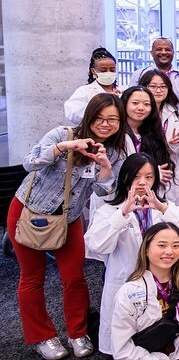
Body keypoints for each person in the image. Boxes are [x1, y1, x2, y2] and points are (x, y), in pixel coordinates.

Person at [10, 93, 126, 360]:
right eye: (99, 118)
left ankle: (77, 332)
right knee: (32, 277)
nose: (105, 124)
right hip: (28, 213)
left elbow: (103, 193)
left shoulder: (115, 152)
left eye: (112, 119)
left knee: (74, 277)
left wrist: (106, 170)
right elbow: (29, 162)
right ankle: (43, 337)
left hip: (69, 219)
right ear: (89, 116)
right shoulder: (61, 134)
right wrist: (64, 147)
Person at [85, 153, 179, 355]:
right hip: (124, 283)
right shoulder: (110, 210)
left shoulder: (163, 209)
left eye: (149, 177)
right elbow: (97, 245)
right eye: (136, 176)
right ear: (125, 177)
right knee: (122, 345)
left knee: (159, 340)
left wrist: (164, 209)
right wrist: (122, 213)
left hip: (161, 286)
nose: (143, 182)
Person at [110, 223, 179, 360]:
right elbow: (122, 348)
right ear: (146, 249)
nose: (169, 251)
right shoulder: (129, 293)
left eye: (175, 246)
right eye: (162, 245)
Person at [121, 86, 179, 203]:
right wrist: (154, 173)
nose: (141, 108)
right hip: (121, 197)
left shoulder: (153, 133)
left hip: (148, 198)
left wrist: (154, 176)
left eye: (146, 104)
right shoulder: (117, 133)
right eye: (135, 103)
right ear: (125, 104)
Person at [129, 37, 179, 108]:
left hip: (178, 118)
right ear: (151, 53)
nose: (163, 52)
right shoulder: (139, 75)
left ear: (173, 53)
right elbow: (131, 101)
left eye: (168, 50)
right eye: (159, 49)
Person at [64, 47, 120, 125]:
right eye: (103, 70)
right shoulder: (84, 91)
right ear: (93, 71)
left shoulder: (121, 91)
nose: (108, 73)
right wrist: (103, 102)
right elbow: (73, 114)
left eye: (112, 70)